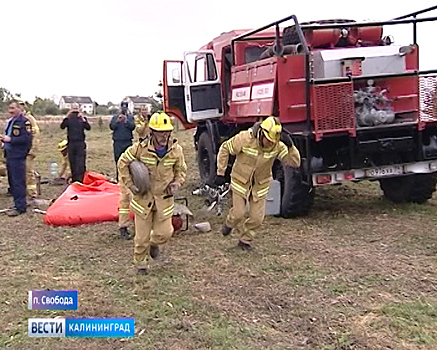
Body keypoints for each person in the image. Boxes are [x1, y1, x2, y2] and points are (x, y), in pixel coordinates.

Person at [215, 116, 301, 250]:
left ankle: (245, 241)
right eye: (268, 140)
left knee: (257, 218)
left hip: (260, 185)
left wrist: (291, 147)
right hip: (240, 182)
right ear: (261, 133)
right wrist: (220, 172)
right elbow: (225, 148)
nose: (270, 143)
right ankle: (229, 224)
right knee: (238, 213)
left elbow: (294, 163)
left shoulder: (277, 146)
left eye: (273, 141)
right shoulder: (245, 138)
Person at [118, 112, 187, 275]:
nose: (164, 135)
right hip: (143, 200)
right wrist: (130, 184)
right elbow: (122, 163)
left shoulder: (176, 151)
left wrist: (176, 183)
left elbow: (181, 171)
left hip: (164, 200)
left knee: (165, 233)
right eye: (160, 132)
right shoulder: (139, 149)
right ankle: (140, 263)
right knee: (141, 238)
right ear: (152, 132)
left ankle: (154, 244)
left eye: (166, 132)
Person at [0, 101, 32, 216]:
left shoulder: (24, 122)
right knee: (12, 181)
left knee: (18, 181)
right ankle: (16, 203)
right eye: (9, 108)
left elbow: (26, 139)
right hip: (9, 154)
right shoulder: (11, 121)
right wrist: (3, 142)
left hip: (18, 155)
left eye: (13, 108)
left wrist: (10, 140)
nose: (10, 111)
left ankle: (20, 207)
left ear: (19, 108)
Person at [16, 97, 40, 198]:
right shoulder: (15, 119)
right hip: (18, 150)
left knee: (28, 170)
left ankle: (32, 193)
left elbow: (35, 135)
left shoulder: (29, 119)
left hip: (28, 150)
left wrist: (33, 149)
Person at [60, 103, 91, 183]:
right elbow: (62, 126)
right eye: (74, 108)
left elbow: (88, 127)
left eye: (76, 108)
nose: (75, 111)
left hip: (80, 142)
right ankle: (75, 179)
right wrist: (66, 117)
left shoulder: (82, 118)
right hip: (71, 143)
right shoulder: (69, 118)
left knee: (80, 162)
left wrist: (83, 119)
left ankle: (80, 179)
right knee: (72, 162)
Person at [110, 101, 135, 179]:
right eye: (122, 107)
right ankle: (119, 178)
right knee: (118, 160)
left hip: (127, 141)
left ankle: (128, 179)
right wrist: (117, 121)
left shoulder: (130, 117)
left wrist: (126, 121)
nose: (124, 109)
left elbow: (132, 127)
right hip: (118, 142)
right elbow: (111, 127)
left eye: (125, 107)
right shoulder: (115, 117)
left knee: (128, 161)